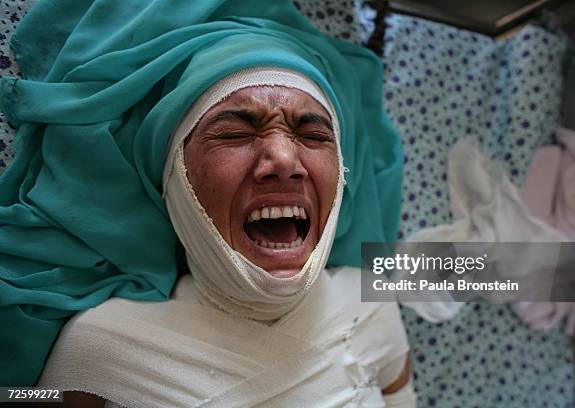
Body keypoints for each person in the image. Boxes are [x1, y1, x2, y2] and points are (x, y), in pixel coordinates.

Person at [0, 0, 410, 405]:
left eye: (314, 136)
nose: (285, 161)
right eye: (234, 134)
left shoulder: (369, 304)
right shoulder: (97, 352)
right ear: (176, 184)